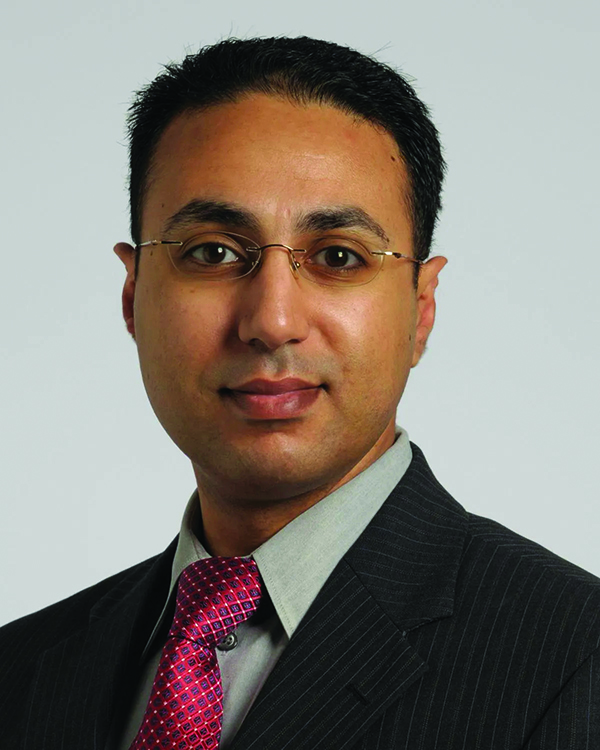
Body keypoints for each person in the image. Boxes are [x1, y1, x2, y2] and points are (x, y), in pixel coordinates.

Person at [1, 35, 598, 750]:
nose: (272, 321)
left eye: (339, 256)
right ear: (133, 296)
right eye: (213, 252)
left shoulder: (575, 659)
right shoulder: (20, 670)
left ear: (421, 309)